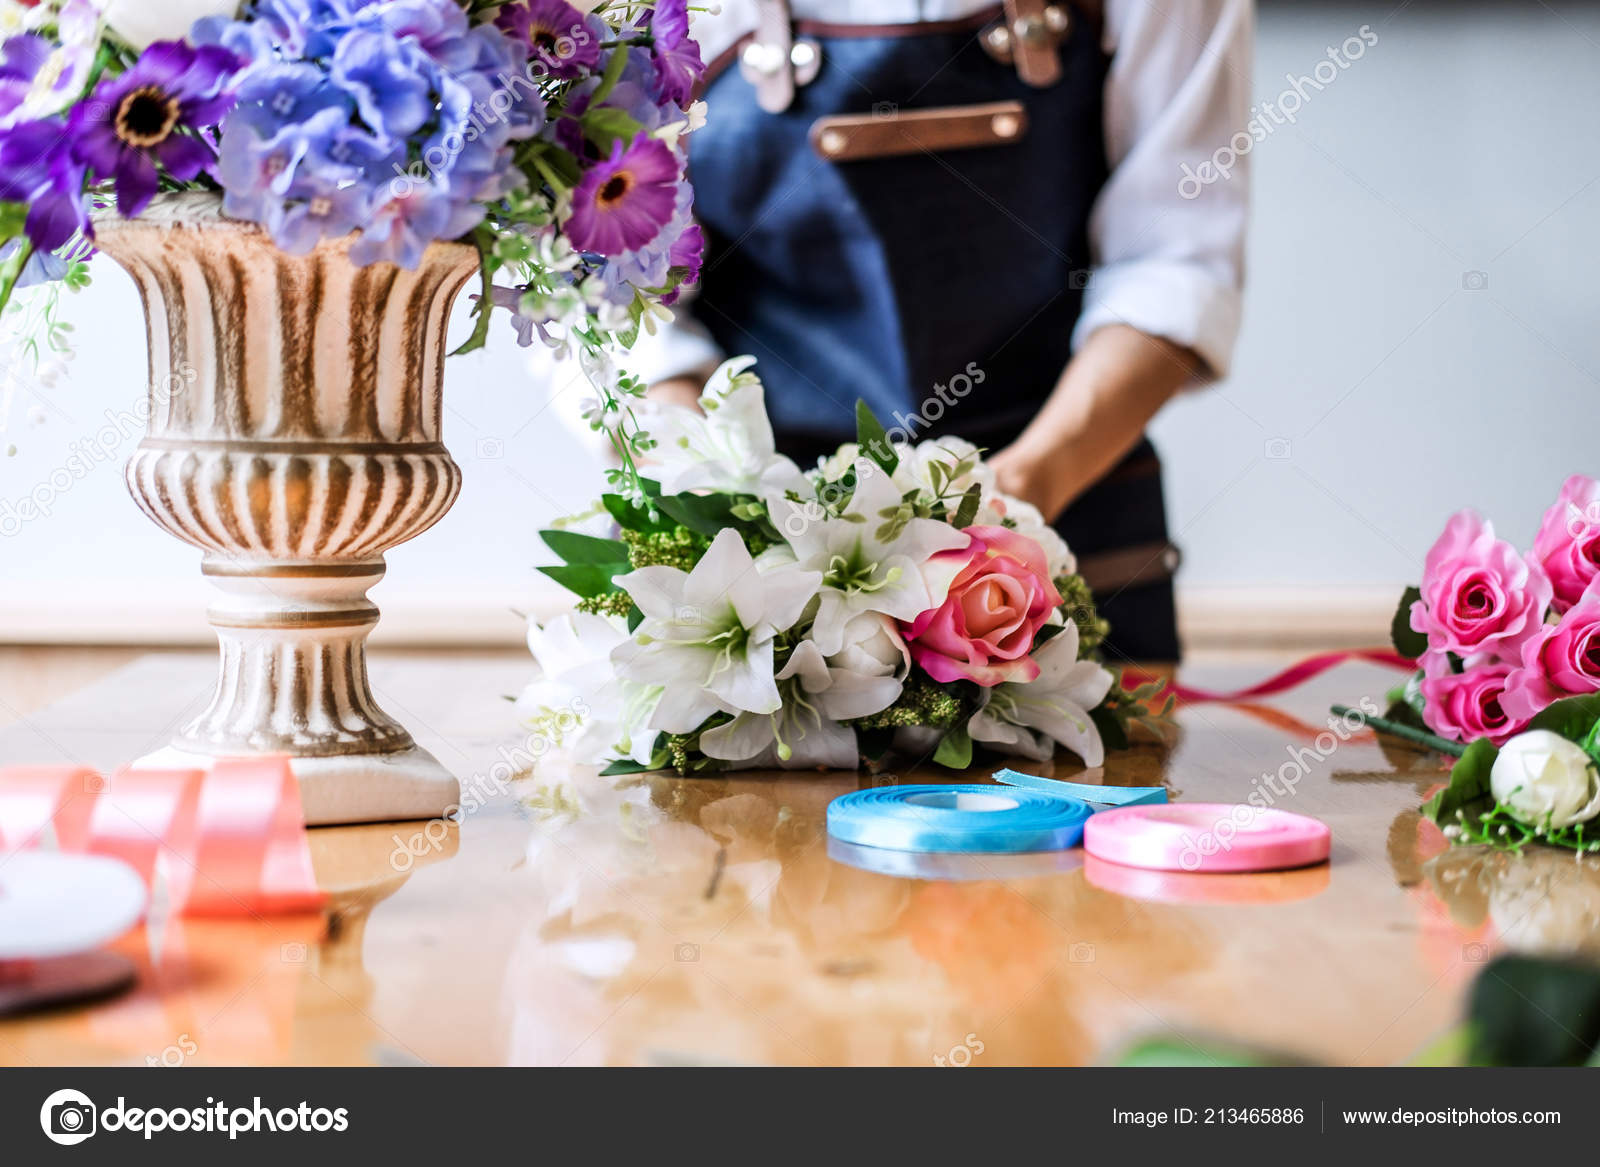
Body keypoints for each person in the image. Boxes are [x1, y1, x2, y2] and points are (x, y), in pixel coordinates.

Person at [635, 0, 1253, 661]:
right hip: (754, 559)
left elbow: (1172, 266)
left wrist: (1020, 497)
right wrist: (715, 501)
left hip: (1063, 530)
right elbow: (621, 298)